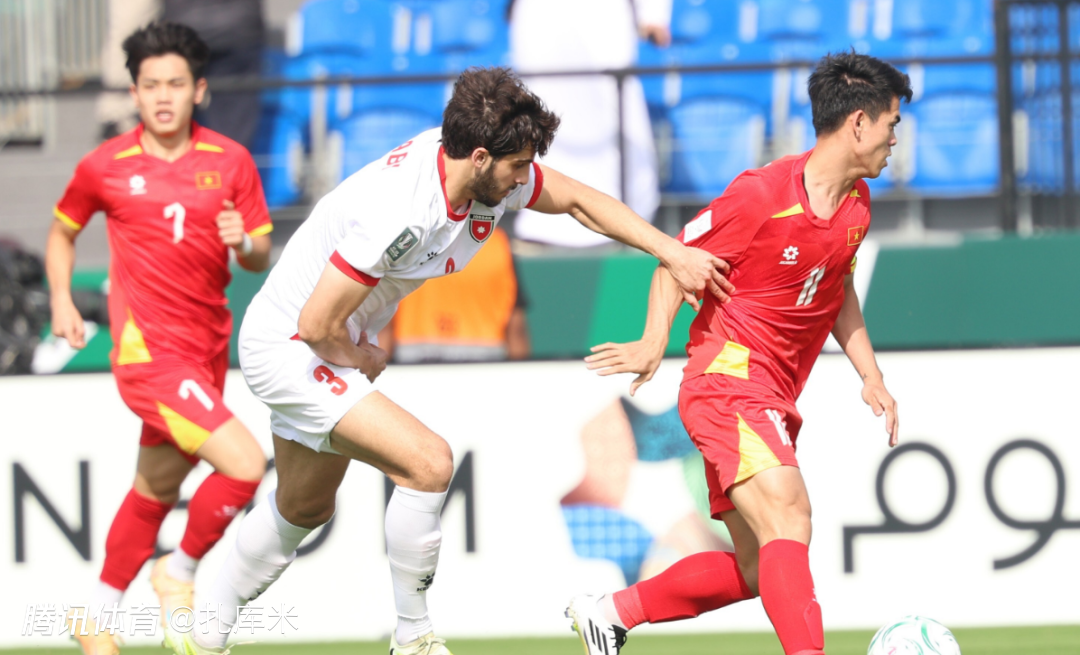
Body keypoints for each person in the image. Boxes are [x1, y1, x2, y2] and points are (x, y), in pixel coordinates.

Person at [163, 66, 732, 655]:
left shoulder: (489, 175)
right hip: (292, 343)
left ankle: (206, 632)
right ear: (481, 157)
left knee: (302, 506)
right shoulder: (402, 209)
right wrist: (357, 352)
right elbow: (314, 324)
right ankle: (412, 637)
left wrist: (671, 251)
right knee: (429, 463)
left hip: (324, 333)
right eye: (517, 166)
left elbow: (581, 202)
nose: (525, 178)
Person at [566, 52, 909, 655]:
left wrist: (870, 374)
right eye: (891, 124)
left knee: (755, 569)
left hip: (771, 395)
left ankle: (611, 612)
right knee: (791, 516)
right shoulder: (761, 196)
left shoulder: (857, 206)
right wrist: (653, 341)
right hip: (728, 382)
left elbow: (837, 286)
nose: (894, 140)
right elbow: (675, 263)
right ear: (858, 123)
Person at [46, 22, 273, 655]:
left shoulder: (230, 160)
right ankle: (178, 572)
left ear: (199, 89)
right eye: (151, 86)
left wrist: (245, 241)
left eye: (176, 83)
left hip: (205, 351)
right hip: (149, 356)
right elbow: (61, 232)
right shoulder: (105, 166)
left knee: (154, 490)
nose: (163, 96)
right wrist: (63, 298)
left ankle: (96, 616)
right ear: (135, 92)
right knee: (247, 466)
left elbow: (258, 255)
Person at [508, 0, 670, 247]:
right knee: (541, 104)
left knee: (615, 100)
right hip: (540, 18)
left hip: (602, 17)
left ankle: (621, 216)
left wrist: (654, 13)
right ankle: (541, 209)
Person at [379, 226, 531, 363]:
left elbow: (385, 321)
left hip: (414, 360)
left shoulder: (410, 240)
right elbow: (515, 327)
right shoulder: (496, 242)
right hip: (485, 362)